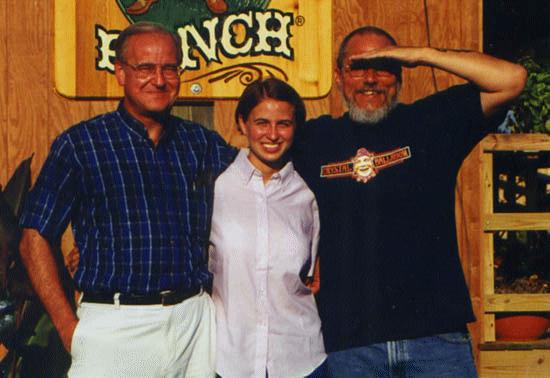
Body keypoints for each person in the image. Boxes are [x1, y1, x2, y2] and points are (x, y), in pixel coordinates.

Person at [292, 26, 527, 377]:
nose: (370, 79)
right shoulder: (313, 140)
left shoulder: (431, 123)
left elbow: (512, 78)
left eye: (385, 66)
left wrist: (421, 54)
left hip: (435, 341)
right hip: (350, 347)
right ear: (339, 77)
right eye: (358, 67)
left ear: (401, 73)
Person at [18, 21, 236, 377]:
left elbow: (263, 185)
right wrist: (67, 327)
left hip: (194, 324)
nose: (159, 79)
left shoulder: (201, 143)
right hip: (116, 325)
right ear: (120, 72)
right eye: (145, 68)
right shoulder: (82, 144)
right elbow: (33, 238)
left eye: (169, 68)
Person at [209, 78, 327, 378]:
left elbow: (313, 269)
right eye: (261, 122)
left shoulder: (307, 194)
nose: (272, 134)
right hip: (230, 360)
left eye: (283, 124)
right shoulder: (216, 186)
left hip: (300, 360)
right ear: (242, 123)